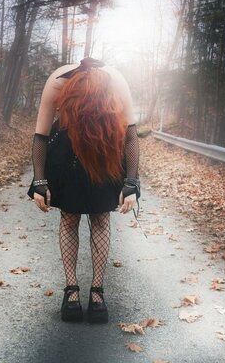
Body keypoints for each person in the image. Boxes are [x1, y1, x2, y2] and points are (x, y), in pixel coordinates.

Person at [27, 57, 140, 324]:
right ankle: (72, 291)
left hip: (105, 150)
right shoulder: (57, 82)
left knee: (100, 218)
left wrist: (132, 183)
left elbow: (131, 134)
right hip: (68, 155)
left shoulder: (116, 81)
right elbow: (41, 136)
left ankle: (97, 291)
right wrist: (40, 183)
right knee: (70, 218)